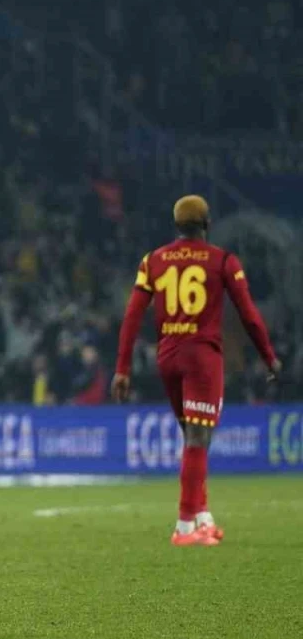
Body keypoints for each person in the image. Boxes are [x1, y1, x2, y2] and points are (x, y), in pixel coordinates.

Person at [112, 195, 279, 546]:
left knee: (194, 437)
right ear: (207, 224)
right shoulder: (223, 260)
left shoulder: (152, 260)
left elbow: (132, 316)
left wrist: (122, 368)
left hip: (168, 357)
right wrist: (268, 356)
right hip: (201, 356)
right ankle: (185, 526)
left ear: (176, 225)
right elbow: (248, 314)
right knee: (198, 438)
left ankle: (203, 516)